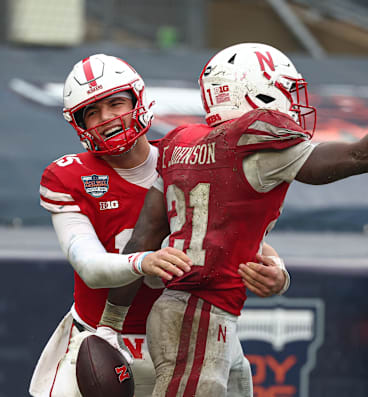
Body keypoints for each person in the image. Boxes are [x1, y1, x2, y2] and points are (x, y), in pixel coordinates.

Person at [102, 42, 368, 396]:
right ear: (252, 90)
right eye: (285, 89)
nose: (292, 101)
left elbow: (144, 239)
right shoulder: (255, 142)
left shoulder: (179, 142)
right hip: (198, 316)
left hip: (193, 312)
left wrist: (108, 324)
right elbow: (362, 156)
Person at [28, 53, 290, 397]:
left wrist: (278, 273)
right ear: (77, 123)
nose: (105, 118)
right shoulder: (69, 175)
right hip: (104, 343)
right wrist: (144, 261)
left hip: (189, 340)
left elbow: (237, 238)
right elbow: (89, 265)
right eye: (91, 112)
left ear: (138, 99)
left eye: (115, 103)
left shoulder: (189, 157)